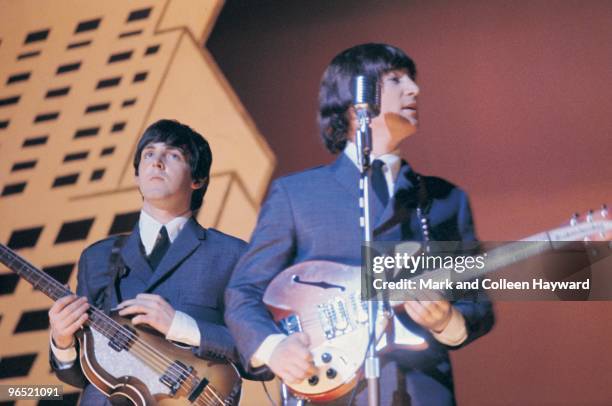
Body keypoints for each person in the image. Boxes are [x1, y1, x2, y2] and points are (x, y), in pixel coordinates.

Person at [224, 43, 494, 405]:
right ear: (356, 98)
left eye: (413, 79)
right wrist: (274, 348)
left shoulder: (445, 199)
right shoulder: (296, 194)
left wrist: (446, 321)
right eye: (397, 79)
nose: (415, 89)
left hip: (421, 390)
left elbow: (478, 303)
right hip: (326, 388)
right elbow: (243, 292)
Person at [48, 119, 246, 404]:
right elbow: (80, 375)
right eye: (149, 154)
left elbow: (261, 359)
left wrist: (181, 326)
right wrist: (62, 342)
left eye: (174, 155)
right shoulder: (97, 257)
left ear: (198, 179)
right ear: (137, 175)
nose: (157, 162)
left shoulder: (232, 254)